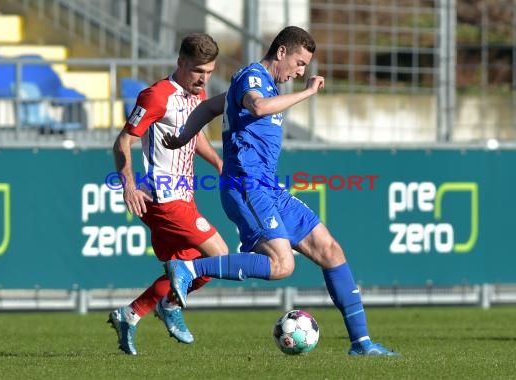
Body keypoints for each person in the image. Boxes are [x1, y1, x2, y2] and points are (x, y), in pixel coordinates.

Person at [162, 26, 398, 356]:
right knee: (281, 265)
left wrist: (183, 135)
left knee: (330, 250)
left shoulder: (262, 84)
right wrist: (307, 93)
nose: (301, 72)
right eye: (300, 63)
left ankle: (361, 343)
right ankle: (189, 269)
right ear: (282, 53)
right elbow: (257, 107)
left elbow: (209, 107)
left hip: (269, 188)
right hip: (246, 184)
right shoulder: (253, 77)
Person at [108, 33, 229, 355]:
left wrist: (216, 160)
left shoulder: (196, 93)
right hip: (163, 197)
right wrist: (128, 186)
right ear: (180, 63)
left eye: (209, 72)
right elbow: (122, 142)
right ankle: (171, 306)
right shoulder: (156, 96)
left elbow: (192, 132)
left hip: (183, 196)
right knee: (218, 257)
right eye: (197, 71)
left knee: (184, 265)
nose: (203, 79)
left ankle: (131, 314)